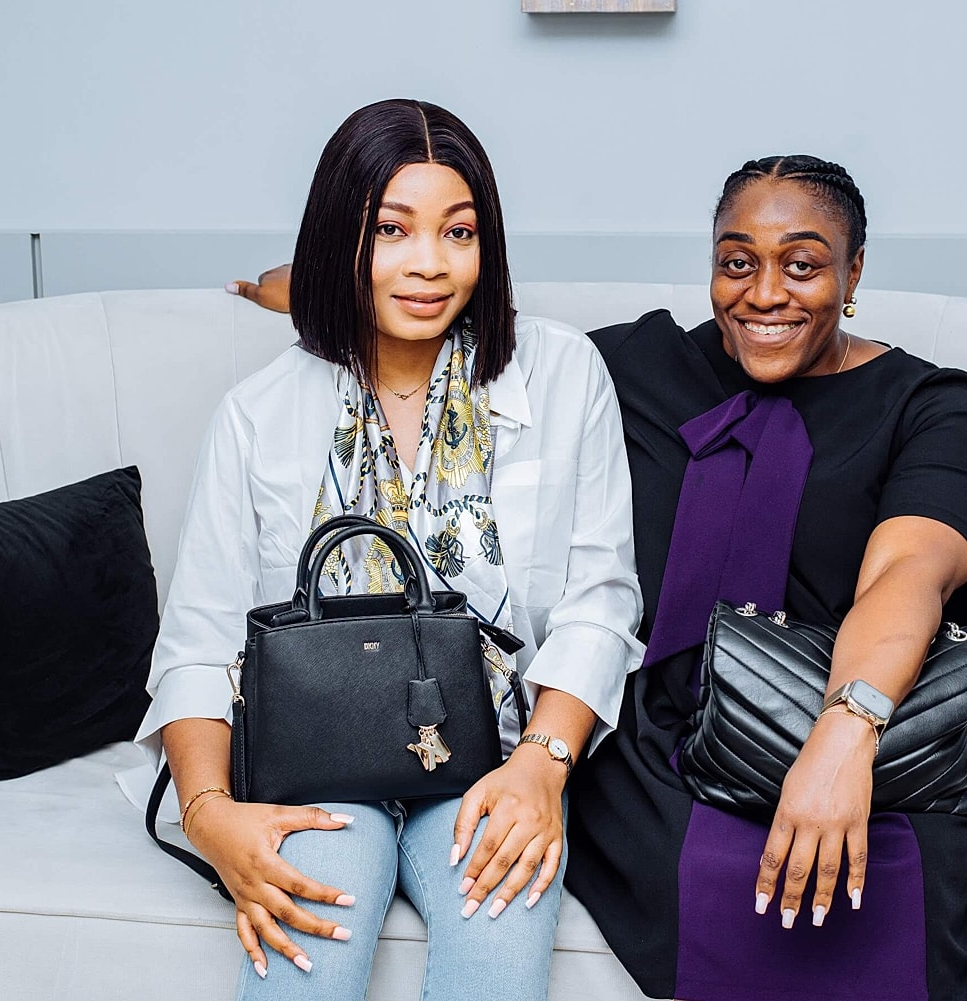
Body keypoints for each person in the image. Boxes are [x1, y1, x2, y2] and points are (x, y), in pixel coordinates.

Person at [226, 155, 967, 1000]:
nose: (766, 293)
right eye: (737, 261)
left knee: (886, 893)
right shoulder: (635, 366)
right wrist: (300, 285)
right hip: (658, 744)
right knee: (687, 882)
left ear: (853, 270)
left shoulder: (932, 405)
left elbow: (908, 575)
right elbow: (445, 309)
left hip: (849, 715)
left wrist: (843, 737)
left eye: (804, 264)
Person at [140, 98, 643, 1001]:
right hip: (312, 758)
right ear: (342, 239)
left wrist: (542, 766)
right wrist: (210, 813)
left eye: (459, 232)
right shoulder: (259, 414)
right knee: (308, 957)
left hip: (495, 756)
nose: (429, 264)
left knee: (498, 964)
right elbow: (199, 635)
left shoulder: (566, 376)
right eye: (392, 230)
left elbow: (601, 598)